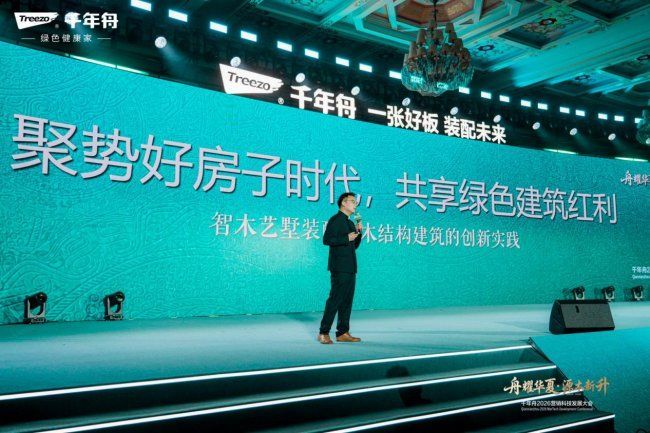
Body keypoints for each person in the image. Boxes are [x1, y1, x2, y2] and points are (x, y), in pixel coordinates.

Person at [318, 192, 362, 344]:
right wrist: (346, 238)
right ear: (343, 202)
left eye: (356, 202)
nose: (355, 204)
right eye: (352, 201)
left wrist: (359, 232)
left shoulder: (350, 223)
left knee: (347, 301)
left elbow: (354, 245)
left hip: (350, 266)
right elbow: (326, 240)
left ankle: (342, 332)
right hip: (339, 266)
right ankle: (323, 332)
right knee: (335, 299)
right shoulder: (336, 220)